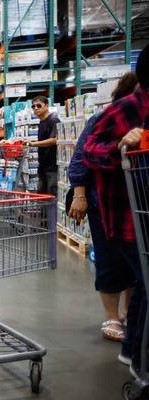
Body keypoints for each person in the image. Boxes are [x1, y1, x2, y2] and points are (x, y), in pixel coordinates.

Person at [83, 46, 148, 377]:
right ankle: (134, 350)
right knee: (128, 271)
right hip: (119, 212)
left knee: (142, 279)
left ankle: (132, 347)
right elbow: (85, 154)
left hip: (139, 214)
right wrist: (79, 194)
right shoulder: (117, 113)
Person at [69, 72, 138, 344]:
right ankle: (112, 315)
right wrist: (80, 195)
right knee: (110, 259)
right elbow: (79, 159)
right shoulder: (104, 119)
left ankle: (128, 313)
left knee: (137, 263)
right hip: (104, 202)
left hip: (137, 204)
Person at [25, 96, 59, 196]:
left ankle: (50, 213)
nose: (35, 108)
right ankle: (44, 213)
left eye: (39, 105)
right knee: (41, 197)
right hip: (43, 166)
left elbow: (55, 140)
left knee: (51, 197)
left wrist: (34, 143)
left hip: (52, 167)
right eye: (33, 106)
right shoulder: (42, 122)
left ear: (47, 106)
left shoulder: (53, 120)